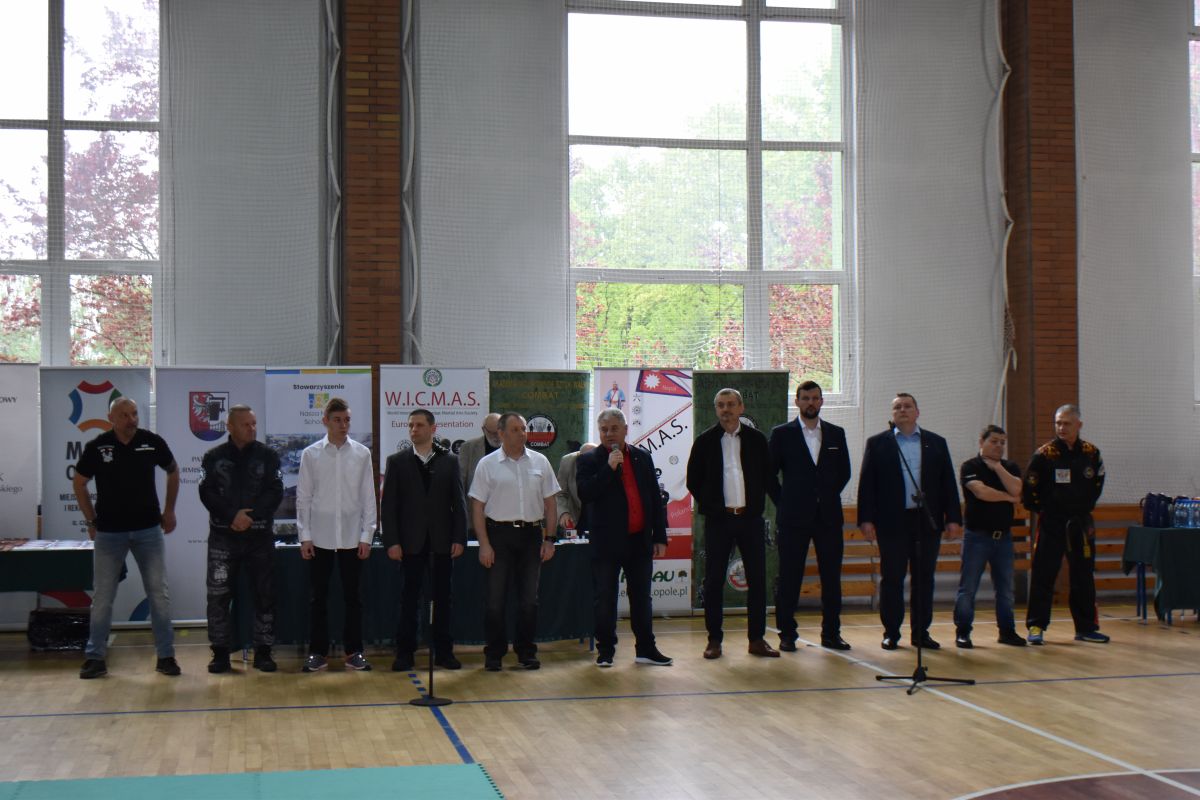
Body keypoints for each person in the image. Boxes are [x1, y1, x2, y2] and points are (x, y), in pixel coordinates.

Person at [73, 398, 181, 679]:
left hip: (148, 530)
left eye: (134, 414)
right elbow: (79, 482)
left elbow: (173, 470)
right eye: (124, 415)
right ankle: (95, 658)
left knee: (158, 594)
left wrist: (169, 510)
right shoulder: (98, 446)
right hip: (109, 533)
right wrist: (90, 520)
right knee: (103, 597)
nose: (131, 419)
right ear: (111, 418)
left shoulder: (151, 442)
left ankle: (166, 656)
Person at [857, 393, 962, 650]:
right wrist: (866, 519)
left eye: (907, 406)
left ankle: (921, 633)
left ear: (917, 412)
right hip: (892, 521)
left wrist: (953, 518)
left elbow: (948, 483)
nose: (903, 410)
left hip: (925, 520)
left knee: (924, 579)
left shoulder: (936, 443)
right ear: (892, 414)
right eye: (897, 407)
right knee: (892, 578)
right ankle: (891, 632)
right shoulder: (877, 443)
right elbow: (867, 484)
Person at [686, 388, 780, 659]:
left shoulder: (757, 440)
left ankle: (757, 640)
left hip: (750, 520)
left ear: (740, 408)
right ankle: (714, 640)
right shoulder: (705, 441)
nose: (725, 409)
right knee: (714, 581)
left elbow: (769, 478)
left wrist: (784, 506)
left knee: (757, 581)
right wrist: (712, 506)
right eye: (720, 405)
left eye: (730, 404)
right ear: (716, 409)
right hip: (719, 521)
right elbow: (693, 481)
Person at [576, 409, 672, 667]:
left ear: (625, 430)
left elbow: (654, 499)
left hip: (639, 540)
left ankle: (646, 649)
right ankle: (606, 650)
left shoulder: (642, 457)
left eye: (614, 429)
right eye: (604, 430)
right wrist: (609, 468)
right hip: (606, 542)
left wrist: (660, 536)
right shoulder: (589, 460)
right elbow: (585, 493)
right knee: (605, 597)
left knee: (642, 597)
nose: (609, 434)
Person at [468, 412, 559, 671]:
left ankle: (526, 652)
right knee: (495, 601)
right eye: (516, 429)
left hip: (531, 536)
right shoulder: (487, 464)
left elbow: (551, 504)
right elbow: (477, 507)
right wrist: (484, 544)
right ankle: (494, 654)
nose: (522, 434)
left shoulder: (540, 461)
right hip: (498, 536)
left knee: (529, 601)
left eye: (524, 429)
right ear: (501, 433)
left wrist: (550, 539)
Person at [381, 409, 468, 672]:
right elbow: (389, 506)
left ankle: (443, 652)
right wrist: (392, 541)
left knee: (443, 599)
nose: (413, 430)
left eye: (419, 425)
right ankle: (405, 653)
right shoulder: (397, 461)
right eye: (410, 425)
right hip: (410, 542)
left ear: (433, 428)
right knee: (408, 599)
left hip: (442, 542)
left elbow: (459, 502)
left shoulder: (449, 461)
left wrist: (459, 537)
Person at [199, 404, 284, 673]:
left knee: (265, 595)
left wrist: (251, 516)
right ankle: (220, 653)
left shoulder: (268, 456)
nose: (252, 428)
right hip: (223, 538)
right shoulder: (213, 457)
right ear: (230, 426)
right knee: (218, 596)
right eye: (246, 424)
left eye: (254, 423)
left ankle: (264, 652)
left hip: (259, 537)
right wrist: (231, 516)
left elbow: (275, 491)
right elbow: (207, 492)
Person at [769, 381, 852, 652]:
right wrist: (784, 502)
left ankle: (831, 633)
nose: (810, 402)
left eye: (815, 398)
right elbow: (769, 475)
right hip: (793, 518)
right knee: (790, 577)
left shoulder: (836, 433)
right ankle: (787, 634)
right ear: (797, 401)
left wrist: (825, 495)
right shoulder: (782, 434)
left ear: (822, 401)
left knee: (831, 578)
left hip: (828, 517)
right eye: (805, 398)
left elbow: (845, 472)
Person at [296, 397, 377, 673]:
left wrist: (367, 535)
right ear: (325, 421)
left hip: (352, 538)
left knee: (353, 598)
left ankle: (354, 652)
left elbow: (368, 497)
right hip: (320, 537)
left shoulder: (362, 454)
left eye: (347, 420)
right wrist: (305, 536)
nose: (343, 425)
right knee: (318, 598)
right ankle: (317, 653)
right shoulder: (311, 454)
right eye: (338, 420)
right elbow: (303, 497)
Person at [1023, 404, 1108, 645]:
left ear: (1079, 425)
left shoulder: (1091, 453)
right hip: (1052, 523)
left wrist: (1083, 507)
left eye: (1067, 423)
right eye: (1058, 423)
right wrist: (1045, 510)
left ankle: (1086, 627)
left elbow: (1098, 482)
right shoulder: (1045, 454)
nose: (1061, 428)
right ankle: (1036, 626)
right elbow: (1029, 489)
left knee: (1083, 575)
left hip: (1081, 523)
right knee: (1044, 573)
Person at [953, 425, 1027, 648]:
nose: (999, 446)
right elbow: (981, 492)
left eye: (1002, 442)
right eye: (994, 441)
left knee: (1005, 589)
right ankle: (963, 632)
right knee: (968, 588)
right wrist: (1008, 498)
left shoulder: (1009, 467)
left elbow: (1017, 489)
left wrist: (998, 468)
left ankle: (1007, 631)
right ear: (981, 442)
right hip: (977, 537)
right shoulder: (970, 466)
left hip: (1003, 537)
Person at [459, 413, 502, 539]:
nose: (497, 436)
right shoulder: (469, 447)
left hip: (504, 519)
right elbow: (461, 481)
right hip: (474, 518)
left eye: (499, 431)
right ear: (483, 430)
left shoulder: (513, 447)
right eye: (492, 433)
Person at [555, 442, 596, 536]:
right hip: (575, 515)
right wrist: (563, 513)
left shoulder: (606, 460)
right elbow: (560, 493)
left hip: (598, 515)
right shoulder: (568, 461)